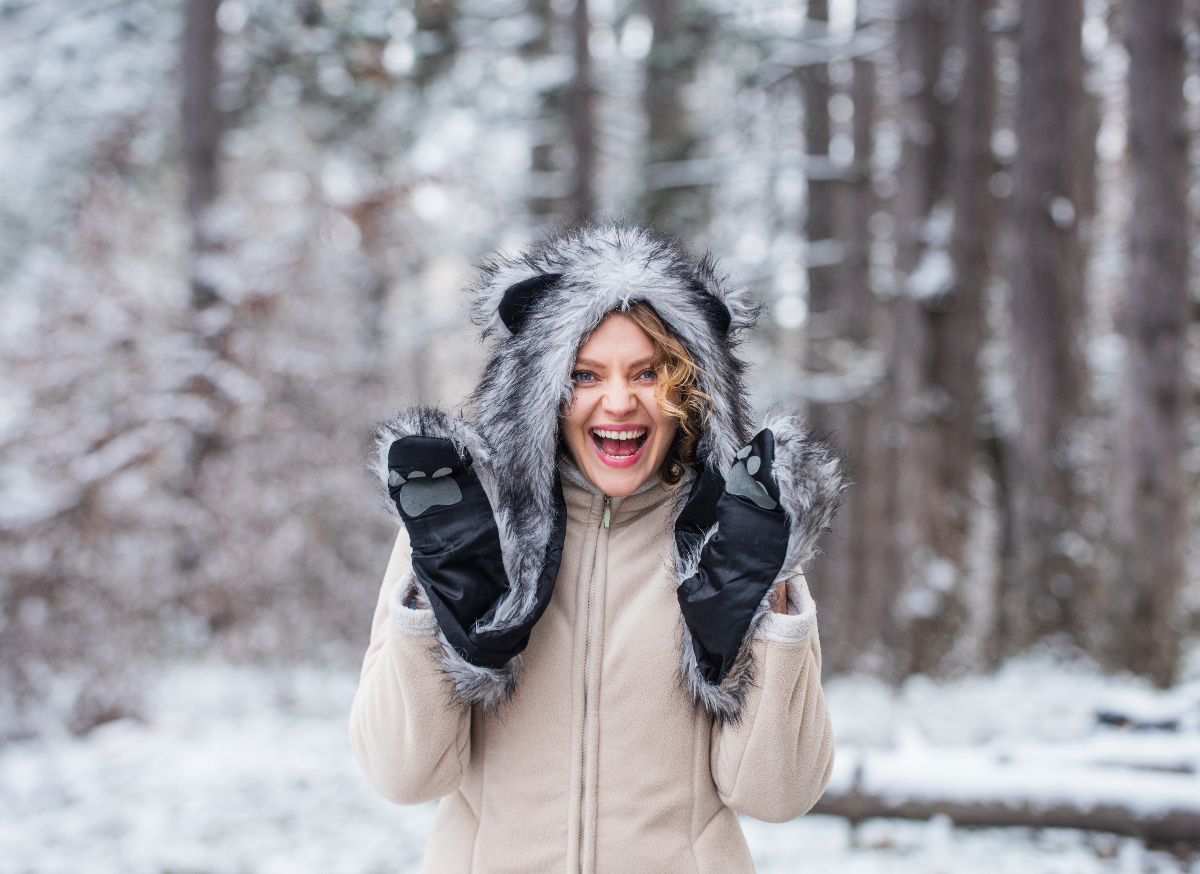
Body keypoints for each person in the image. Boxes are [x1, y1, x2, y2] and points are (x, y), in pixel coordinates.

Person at [350, 223, 844, 873]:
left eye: (648, 373)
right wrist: (443, 598)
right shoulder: (464, 521)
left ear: (690, 392)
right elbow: (404, 776)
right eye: (585, 374)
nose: (619, 402)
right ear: (541, 391)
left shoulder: (735, 533)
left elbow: (776, 794)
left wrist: (764, 594)